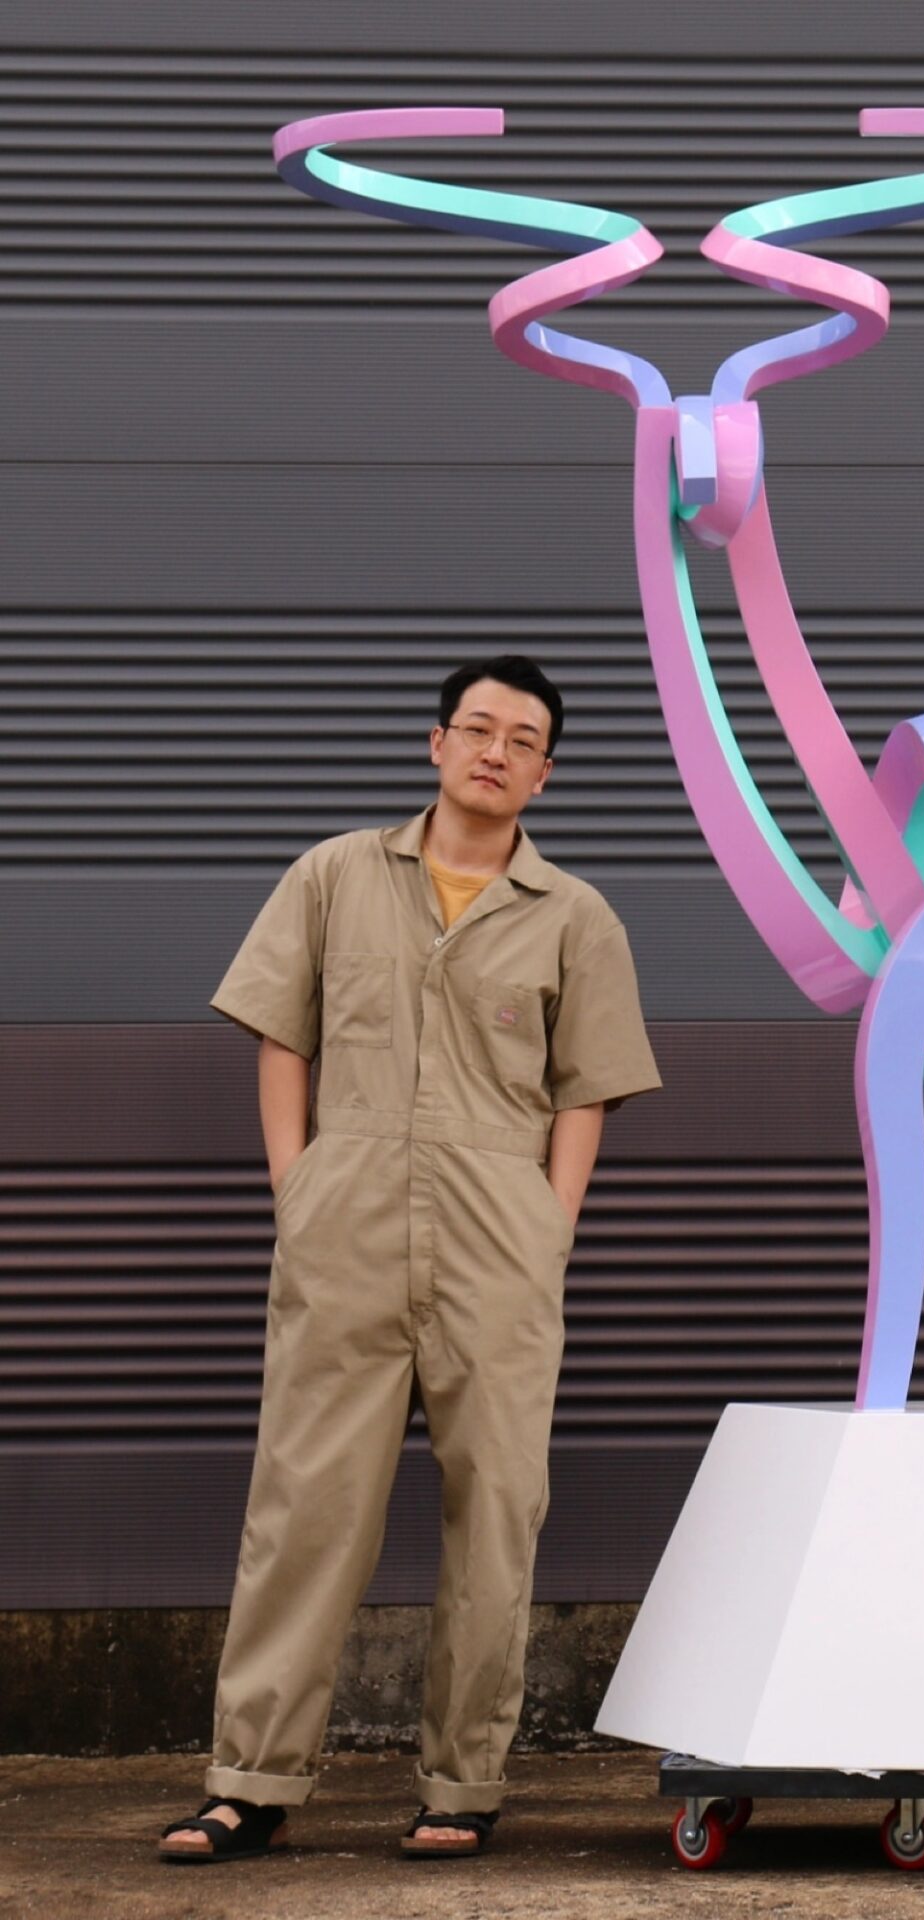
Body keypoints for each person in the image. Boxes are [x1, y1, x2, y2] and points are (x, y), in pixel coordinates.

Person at [159, 655, 660, 1863]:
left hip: (499, 1237)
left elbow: (585, 1090)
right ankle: (251, 1782)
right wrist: (298, 1186)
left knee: (497, 1513)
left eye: (522, 740)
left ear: (546, 773)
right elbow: (283, 1035)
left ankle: (462, 1785)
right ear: (436, 745)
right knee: (305, 1505)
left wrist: (549, 1226)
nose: (496, 751)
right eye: (477, 728)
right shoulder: (334, 875)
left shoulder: (575, 916)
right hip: (347, 1223)